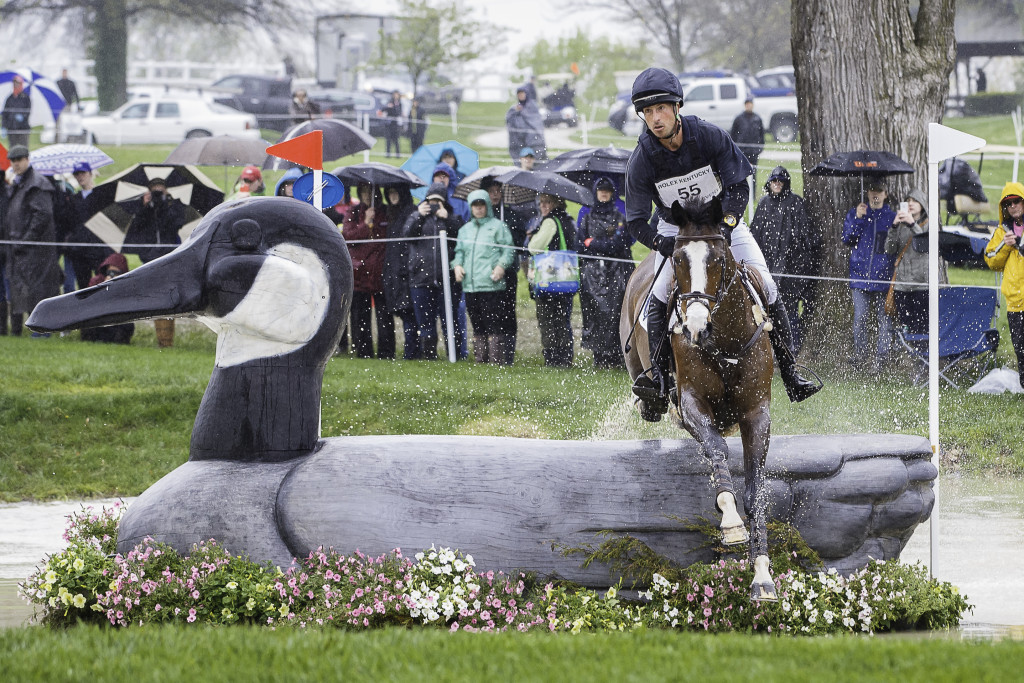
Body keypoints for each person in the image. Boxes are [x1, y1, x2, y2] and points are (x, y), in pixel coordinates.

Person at [624, 68, 820, 419]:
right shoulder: (642, 158)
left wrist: (727, 226)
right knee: (656, 298)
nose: (655, 118)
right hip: (676, 232)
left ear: (677, 106)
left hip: (723, 225)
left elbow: (739, 186)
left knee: (769, 287)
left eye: (661, 109)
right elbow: (636, 220)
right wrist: (664, 246)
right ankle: (658, 380)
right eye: (647, 112)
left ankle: (791, 373)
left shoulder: (708, 136)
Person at [749, 166, 822, 352]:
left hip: (790, 271)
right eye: (774, 181)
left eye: (780, 181)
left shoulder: (795, 203)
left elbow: (805, 239)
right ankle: (769, 349)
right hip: (767, 268)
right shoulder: (764, 204)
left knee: (788, 312)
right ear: (769, 183)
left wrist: (797, 266)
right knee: (765, 312)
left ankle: (792, 349)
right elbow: (755, 236)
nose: (777, 184)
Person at [2, 145, 62, 338]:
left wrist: (25, 241)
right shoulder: (20, 183)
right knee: (24, 294)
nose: (16, 164)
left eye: (19, 160)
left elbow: (42, 215)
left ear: (27, 159)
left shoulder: (37, 183)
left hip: (36, 252)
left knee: (38, 294)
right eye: (13, 161)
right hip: (21, 250)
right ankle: (35, 333)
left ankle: (42, 334)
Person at [577, 176, 635, 368]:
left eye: (607, 191)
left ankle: (617, 358)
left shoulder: (619, 217)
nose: (604, 193)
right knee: (595, 316)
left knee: (615, 316)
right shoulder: (587, 216)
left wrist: (593, 243)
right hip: (592, 278)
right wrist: (597, 245)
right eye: (600, 190)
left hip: (616, 276)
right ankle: (599, 358)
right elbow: (579, 244)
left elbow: (618, 244)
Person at [452, 189, 516, 364]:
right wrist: (457, 265)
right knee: (477, 325)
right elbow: (459, 253)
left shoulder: (498, 227)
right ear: (471, 208)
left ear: (487, 205)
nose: (479, 209)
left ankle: (496, 360)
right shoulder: (465, 230)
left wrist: (501, 266)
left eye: (481, 205)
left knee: (494, 324)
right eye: (475, 205)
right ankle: (480, 360)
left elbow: (508, 250)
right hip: (470, 285)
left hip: (491, 284)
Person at [123, 177, 186, 347]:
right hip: (150, 257)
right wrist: (145, 207)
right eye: (154, 191)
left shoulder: (173, 205)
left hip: (170, 255)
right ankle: (160, 336)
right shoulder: (144, 207)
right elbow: (136, 228)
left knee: (169, 295)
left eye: (160, 190)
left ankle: (167, 339)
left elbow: (176, 224)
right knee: (154, 295)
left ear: (166, 190)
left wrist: (164, 204)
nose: (157, 194)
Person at [842, 179, 896, 373]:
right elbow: (847, 239)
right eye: (873, 190)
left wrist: (896, 226)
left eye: (879, 191)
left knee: (884, 319)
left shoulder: (891, 216)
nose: (875, 194)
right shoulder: (856, 213)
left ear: (886, 194)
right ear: (867, 192)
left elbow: (895, 245)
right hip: (860, 275)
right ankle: (860, 355)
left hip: (884, 277)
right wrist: (858, 218)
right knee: (860, 318)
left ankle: (882, 358)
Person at [404, 181, 463, 359]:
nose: (434, 205)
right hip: (421, 278)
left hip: (447, 279)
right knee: (425, 323)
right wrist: (419, 216)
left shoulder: (453, 217)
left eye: (438, 201)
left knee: (450, 321)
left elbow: (460, 236)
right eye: (431, 201)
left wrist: (448, 218)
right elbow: (407, 235)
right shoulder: (416, 216)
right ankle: (429, 356)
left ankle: (456, 356)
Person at [885, 188, 947, 336]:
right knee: (906, 327)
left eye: (915, 201)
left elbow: (928, 246)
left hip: (922, 284)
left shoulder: (930, 223)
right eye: (908, 201)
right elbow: (889, 249)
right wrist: (894, 227)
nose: (911, 203)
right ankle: (908, 357)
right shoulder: (900, 226)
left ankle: (923, 358)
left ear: (923, 204)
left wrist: (913, 224)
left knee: (923, 328)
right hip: (902, 284)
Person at [343, 182, 393, 359]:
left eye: (369, 191)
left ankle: (387, 352)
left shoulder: (386, 212)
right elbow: (348, 236)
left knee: (384, 316)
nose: (366, 195)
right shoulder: (353, 212)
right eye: (363, 191)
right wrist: (364, 223)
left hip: (380, 271)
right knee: (360, 316)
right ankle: (363, 351)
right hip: (360, 273)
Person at [527, 193, 576, 367]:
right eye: (541, 202)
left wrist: (533, 236)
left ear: (557, 202)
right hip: (565, 279)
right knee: (563, 320)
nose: (543, 206)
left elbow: (533, 248)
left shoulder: (549, 221)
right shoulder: (569, 220)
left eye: (548, 202)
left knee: (548, 320)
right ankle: (565, 357)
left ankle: (552, 358)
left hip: (549, 280)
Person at [483, 177, 529, 363]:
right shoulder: (481, 216)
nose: (495, 195)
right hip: (485, 272)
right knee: (489, 312)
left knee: (508, 311)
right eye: (491, 191)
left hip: (508, 271)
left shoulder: (511, 215)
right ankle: (490, 353)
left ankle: (507, 354)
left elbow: (518, 242)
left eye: (497, 191)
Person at [985, 182, 1024, 387]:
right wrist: (1007, 247)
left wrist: (1019, 244)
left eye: (1017, 201)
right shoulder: (1002, 231)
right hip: (1016, 303)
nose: (1013, 206)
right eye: (1008, 203)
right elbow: (991, 259)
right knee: (1021, 349)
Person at [382, 185, 420, 359]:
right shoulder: (393, 214)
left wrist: (405, 267)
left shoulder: (410, 212)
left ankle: (411, 353)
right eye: (390, 192)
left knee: (409, 314)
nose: (393, 195)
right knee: (406, 313)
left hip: (405, 272)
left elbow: (406, 244)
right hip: (395, 272)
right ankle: (410, 352)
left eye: (396, 191)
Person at [64, 161, 113, 290]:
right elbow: (70, 222)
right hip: (80, 250)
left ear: (90, 174)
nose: (80, 177)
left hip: (98, 248)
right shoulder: (74, 199)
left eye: (83, 173)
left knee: (101, 283)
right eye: (77, 174)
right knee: (83, 285)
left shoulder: (101, 195)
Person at [80, 253, 135, 344]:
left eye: (116, 273)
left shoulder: (127, 285)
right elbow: (89, 302)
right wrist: (104, 288)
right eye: (109, 272)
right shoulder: (96, 281)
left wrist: (117, 288)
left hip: (116, 320)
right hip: (99, 318)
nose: (112, 275)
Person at [506, 85, 546, 164]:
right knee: (520, 159)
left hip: (532, 139)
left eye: (522, 93)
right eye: (519, 94)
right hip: (519, 139)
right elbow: (509, 120)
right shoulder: (514, 108)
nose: (521, 96)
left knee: (535, 159)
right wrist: (515, 112)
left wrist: (523, 111)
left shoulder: (532, 106)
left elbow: (536, 121)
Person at [730, 98, 764, 172]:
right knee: (742, 171)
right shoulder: (738, 119)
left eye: (750, 104)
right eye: (747, 104)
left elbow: (761, 134)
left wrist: (760, 148)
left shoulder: (757, 118)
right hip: (742, 150)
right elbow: (733, 134)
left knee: (753, 172)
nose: (749, 106)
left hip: (754, 150)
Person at [2, 75, 32, 148]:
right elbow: (5, 113)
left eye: (18, 83)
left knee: (23, 149)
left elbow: (27, 111)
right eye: (15, 83)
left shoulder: (25, 97)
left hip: (23, 129)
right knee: (13, 150)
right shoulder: (9, 98)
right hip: (12, 129)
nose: (16, 85)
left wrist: (22, 116)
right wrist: (3, 126)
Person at [381, 90, 403, 158]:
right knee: (388, 140)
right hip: (389, 124)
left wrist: (393, 108)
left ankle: (397, 154)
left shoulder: (399, 104)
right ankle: (388, 154)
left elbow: (398, 113)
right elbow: (384, 109)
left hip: (396, 125)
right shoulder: (390, 102)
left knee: (396, 140)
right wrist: (389, 107)